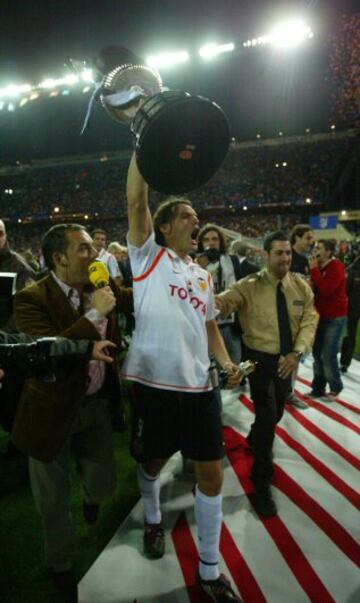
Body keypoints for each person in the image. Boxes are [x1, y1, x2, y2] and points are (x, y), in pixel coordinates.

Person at [121, 154, 244, 602]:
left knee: (211, 477)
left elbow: (209, 326)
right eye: (188, 218)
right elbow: (136, 200)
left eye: (196, 217)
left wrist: (227, 364)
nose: (198, 224)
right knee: (151, 464)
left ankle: (209, 570)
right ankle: (154, 519)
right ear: (166, 226)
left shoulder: (202, 276)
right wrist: (145, 142)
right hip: (154, 386)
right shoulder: (147, 258)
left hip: (198, 389)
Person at [13, 223, 132, 603]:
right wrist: (96, 316)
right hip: (49, 411)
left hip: (94, 404)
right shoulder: (30, 299)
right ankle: (60, 564)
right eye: (83, 249)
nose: (94, 254)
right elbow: (48, 350)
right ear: (59, 258)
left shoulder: (100, 287)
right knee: (52, 502)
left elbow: (137, 295)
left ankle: (91, 497)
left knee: (104, 485)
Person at [216, 231, 317, 517]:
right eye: (279, 253)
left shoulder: (300, 286)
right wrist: (198, 297)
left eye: (288, 253)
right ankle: (261, 482)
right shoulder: (248, 286)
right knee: (268, 413)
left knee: (275, 413)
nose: (286, 258)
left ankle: (255, 437)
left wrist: (297, 353)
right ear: (266, 255)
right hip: (258, 359)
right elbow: (222, 303)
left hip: (288, 360)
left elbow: (310, 320)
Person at [197, 224, 243, 364]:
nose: (211, 242)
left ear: (221, 242)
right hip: (207, 326)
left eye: (215, 239)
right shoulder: (193, 264)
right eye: (207, 239)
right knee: (212, 370)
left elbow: (240, 289)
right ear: (201, 243)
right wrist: (200, 267)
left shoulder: (232, 261)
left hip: (231, 324)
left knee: (234, 365)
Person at [309, 239, 348, 400]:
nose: (315, 250)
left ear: (328, 252)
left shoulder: (336, 266)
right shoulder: (319, 267)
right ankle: (318, 388)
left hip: (335, 317)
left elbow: (326, 290)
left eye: (319, 247)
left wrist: (313, 271)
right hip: (322, 316)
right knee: (317, 353)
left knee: (328, 354)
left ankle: (335, 387)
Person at [287, 224, 316, 410]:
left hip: (298, 313)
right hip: (284, 314)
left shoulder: (305, 260)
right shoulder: (287, 256)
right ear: (296, 238)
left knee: (294, 354)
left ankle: (288, 392)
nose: (311, 241)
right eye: (307, 237)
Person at [340, 243, 360, 372]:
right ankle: (345, 362)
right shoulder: (353, 269)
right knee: (350, 336)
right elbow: (345, 290)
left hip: (354, 306)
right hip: (353, 308)